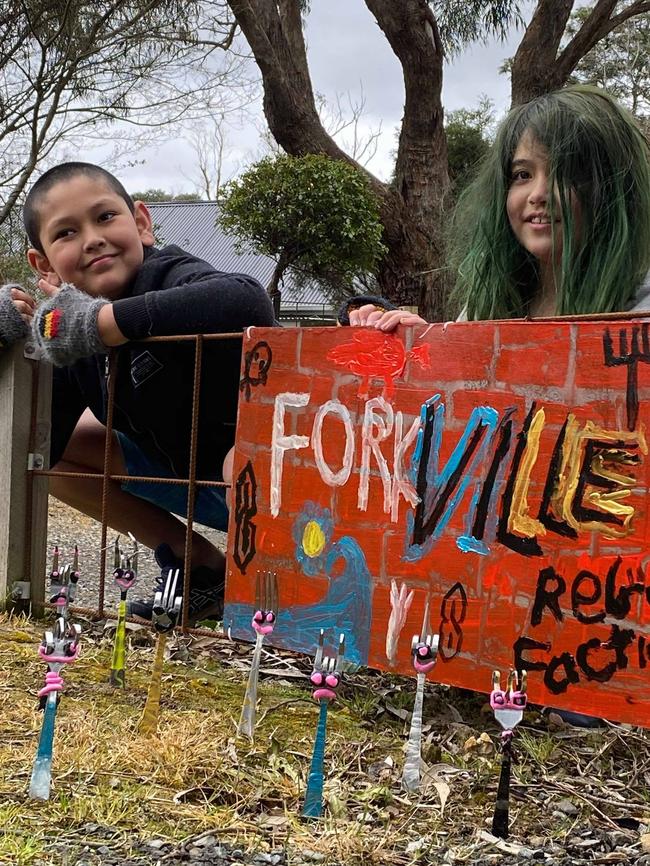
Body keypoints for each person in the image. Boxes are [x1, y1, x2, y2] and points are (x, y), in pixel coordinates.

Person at [0, 161, 276, 622]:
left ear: (142, 224)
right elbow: (34, 449)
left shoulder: (169, 272)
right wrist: (17, 336)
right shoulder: (69, 335)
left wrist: (104, 323)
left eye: (105, 217)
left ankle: (279, 595)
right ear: (43, 262)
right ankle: (202, 569)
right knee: (45, 445)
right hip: (182, 477)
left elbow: (247, 300)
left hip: (261, 488)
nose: (91, 238)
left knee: (240, 456)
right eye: (66, 233)